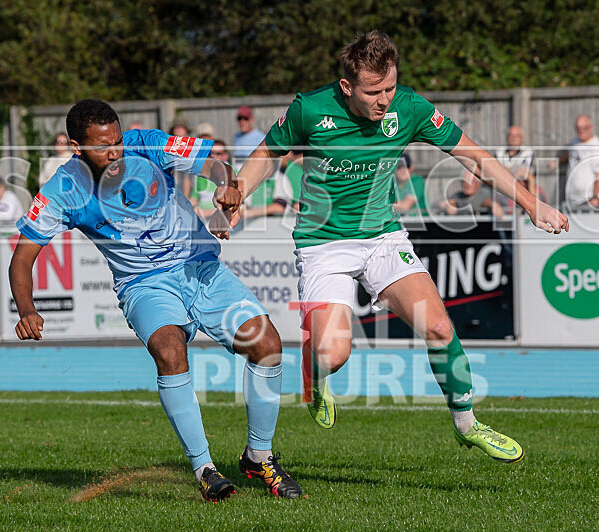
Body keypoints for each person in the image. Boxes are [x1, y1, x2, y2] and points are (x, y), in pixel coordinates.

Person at [214, 31, 568, 465]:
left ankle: (467, 424)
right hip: (323, 244)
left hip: (383, 237)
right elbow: (268, 153)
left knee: (439, 327)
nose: (384, 100)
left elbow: (473, 155)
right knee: (332, 354)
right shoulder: (310, 109)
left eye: (390, 88)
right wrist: (239, 193)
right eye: (373, 92)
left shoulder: (409, 107)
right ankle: (314, 376)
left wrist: (531, 203)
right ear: (347, 87)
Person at [9, 99, 302, 501]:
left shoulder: (146, 144)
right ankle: (205, 469)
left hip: (200, 267)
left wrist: (224, 187)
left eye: (117, 141)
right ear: (76, 147)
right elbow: (22, 257)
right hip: (143, 284)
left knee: (266, 344)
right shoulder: (62, 190)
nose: (115, 152)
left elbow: (214, 165)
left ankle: (259, 457)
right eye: (103, 147)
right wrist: (27, 309)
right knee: (168, 350)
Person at [549, 115, 599, 209]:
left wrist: (595, 197)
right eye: (578, 128)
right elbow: (570, 153)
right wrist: (558, 162)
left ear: (590, 128)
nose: (580, 131)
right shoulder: (575, 142)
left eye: (584, 128)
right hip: (575, 200)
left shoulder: (597, 148)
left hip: (590, 200)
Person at [495, 125, 545, 203]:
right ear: (507, 137)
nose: (514, 138)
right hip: (503, 189)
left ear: (522, 138)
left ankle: (533, 205)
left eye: (517, 135)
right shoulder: (499, 152)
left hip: (523, 186)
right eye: (511, 135)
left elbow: (525, 173)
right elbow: (496, 173)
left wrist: (506, 170)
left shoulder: (528, 152)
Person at [436, 168, 503, 218]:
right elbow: (438, 203)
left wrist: (493, 204)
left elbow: (485, 201)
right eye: (463, 181)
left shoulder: (485, 192)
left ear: (478, 183)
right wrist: (448, 205)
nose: (466, 184)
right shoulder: (459, 195)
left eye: (470, 181)